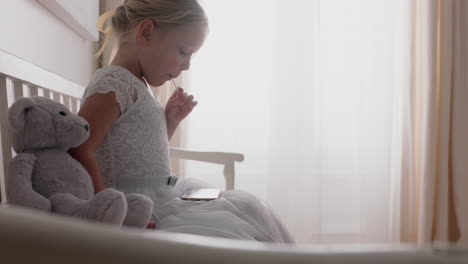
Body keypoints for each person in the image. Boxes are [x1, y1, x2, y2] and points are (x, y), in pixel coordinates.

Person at [69, 0, 293, 243]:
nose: (186, 65)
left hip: (163, 196)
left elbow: (138, 152)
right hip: (135, 206)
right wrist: (109, 212)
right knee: (232, 227)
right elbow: (80, 147)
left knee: (249, 209)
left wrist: (169, 121)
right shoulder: (114, 83)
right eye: (183, 51)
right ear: (146, 33)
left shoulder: (138, 86)